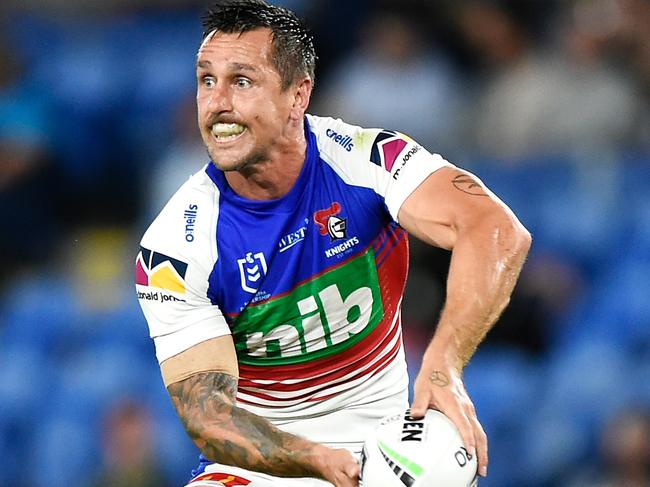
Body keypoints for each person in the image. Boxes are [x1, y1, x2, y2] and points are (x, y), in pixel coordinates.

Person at [135, 1, 531, 486]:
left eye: (241, 81)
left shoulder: (367, 161)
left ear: (298, 95)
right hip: (265, 468)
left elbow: (496, 230)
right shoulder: (174, 246)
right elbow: (208, 418)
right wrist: (318, 461)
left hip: (389, 449)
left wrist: (443, 366)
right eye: (205, 80)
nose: (217, 104)